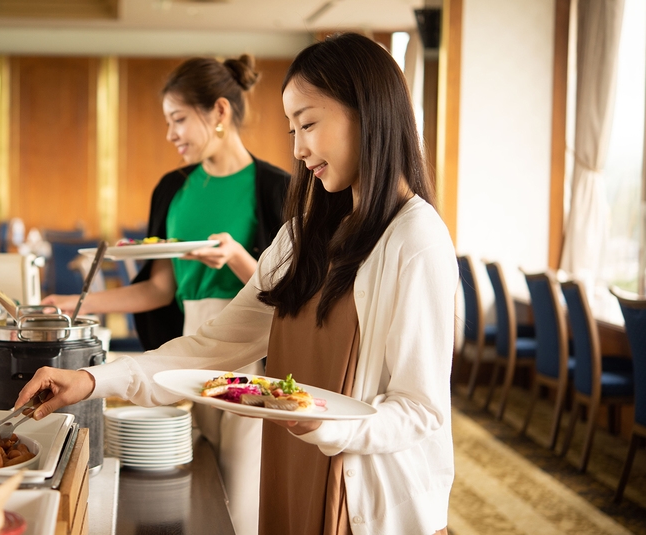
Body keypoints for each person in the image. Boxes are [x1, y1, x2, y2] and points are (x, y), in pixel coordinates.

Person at [23, 32, 456, 535]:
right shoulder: (299, 238)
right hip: (296, 473)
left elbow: (419, 408)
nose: (298, 149)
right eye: (292, 129)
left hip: (371, 504)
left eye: (308, 124)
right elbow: (213, 347)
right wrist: (93, 380)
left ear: (368, 111)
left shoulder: (416, 238)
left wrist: (327, 424)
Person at [42, 55, 290, 535]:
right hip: (186, 346)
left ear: (219, 112)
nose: (171, 133)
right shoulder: (173, 189)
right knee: (189, 485)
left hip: (252, 355)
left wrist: (238, 258)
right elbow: (159, 288)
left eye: (178, 119)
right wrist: (77, 304)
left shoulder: (278, 189)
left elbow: (290, 295)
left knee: (242, 498)